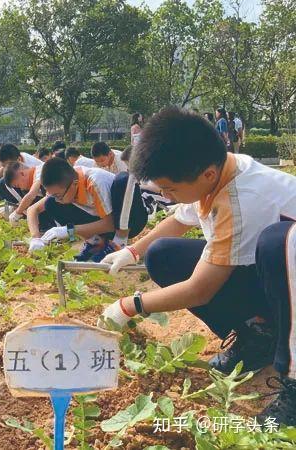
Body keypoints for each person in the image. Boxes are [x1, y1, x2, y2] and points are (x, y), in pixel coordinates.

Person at [99, 107, 296, 425]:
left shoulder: (243, 198)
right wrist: (133, 251)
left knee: (276, 242)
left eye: (170, 189)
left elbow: (201, 290)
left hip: (291, 277)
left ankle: (293, 380)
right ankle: (259, 338)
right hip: (276, 280)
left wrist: (129, 305)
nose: (165, 195)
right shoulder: (220, 171)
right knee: (163, 254)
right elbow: (179, 220)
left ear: (206, 174)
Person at [26, 158, 147, 260]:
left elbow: (110, 223)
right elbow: (33, 209)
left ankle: (118, 243)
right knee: (50, 204)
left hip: (131, 220)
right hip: (104, 221)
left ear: (74, 183)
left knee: (123, 180)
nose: (58, 200)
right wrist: (35, 238)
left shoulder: (95, 182)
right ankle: (96, 242)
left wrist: (68, 231)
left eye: (58, 195)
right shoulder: (63, 187)